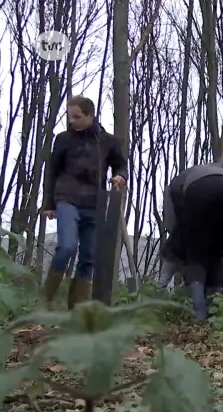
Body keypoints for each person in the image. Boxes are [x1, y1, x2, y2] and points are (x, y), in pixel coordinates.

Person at [40, 95, 128, 310]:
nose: (72, 121)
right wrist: (49, 203)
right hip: (67, 198)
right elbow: (51, 170)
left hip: (94, 203)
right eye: (70, 117)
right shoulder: (63, 139)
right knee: (68, 246)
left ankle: (75, 310)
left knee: (88, 257)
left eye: (77, 117)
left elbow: (120, 165)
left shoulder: (108, 142)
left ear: (90, 116)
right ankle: (45, 301)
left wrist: (120, 176)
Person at [162, 163, 223, 320]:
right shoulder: (216, 173)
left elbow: (172, 223)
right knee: (214, 253)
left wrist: (180, 246)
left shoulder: (175, 185)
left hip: (203, 189)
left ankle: (199, 315)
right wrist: (220, 248)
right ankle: (216, 311)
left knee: (195, 253)